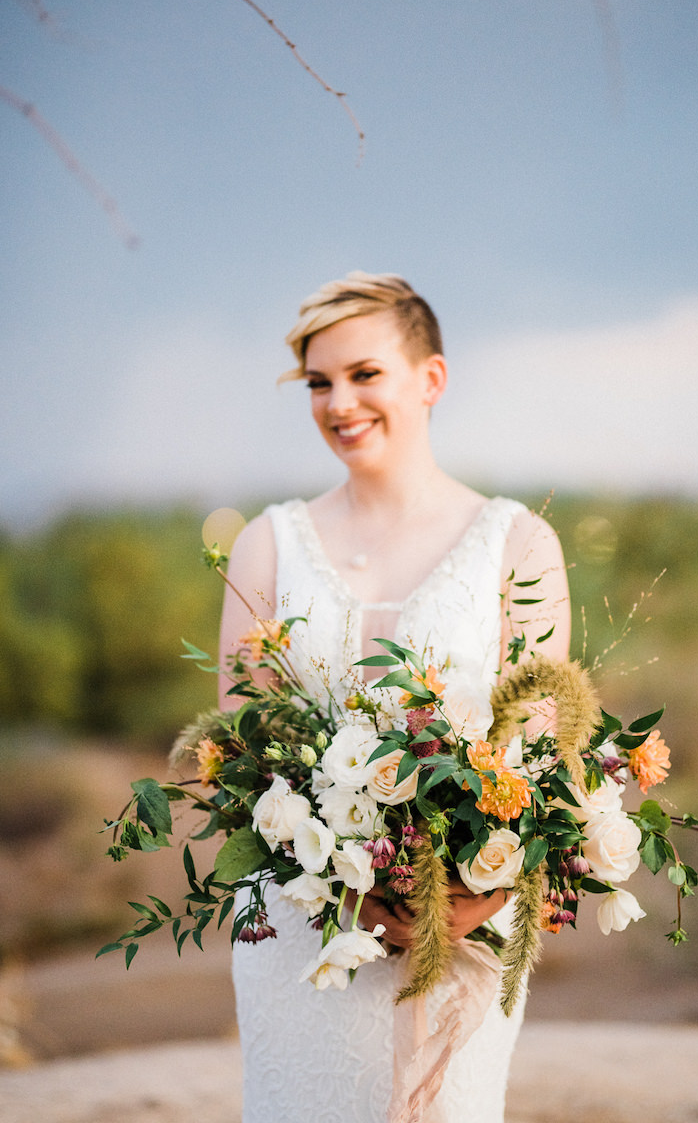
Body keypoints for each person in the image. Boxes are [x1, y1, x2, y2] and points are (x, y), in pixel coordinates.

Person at [218, 272, 571, 1122]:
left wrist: (467, 892)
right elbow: (235, 755)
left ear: (430, 379)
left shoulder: (515, 544)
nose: (339, 402)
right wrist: (337, 874)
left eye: (364, 373)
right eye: (318, 382)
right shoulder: (266, 546)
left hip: (465, 926)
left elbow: (541, 758)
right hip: (301, 928)